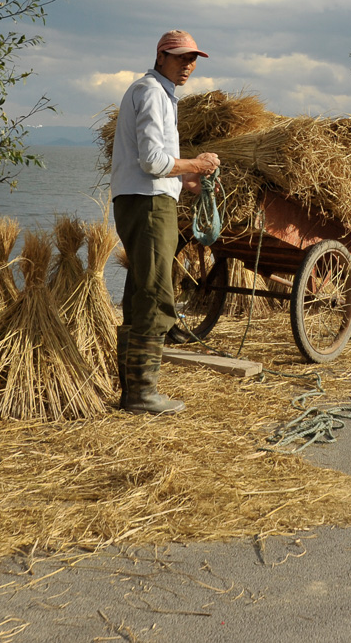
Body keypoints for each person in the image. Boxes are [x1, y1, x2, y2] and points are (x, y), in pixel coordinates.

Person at [110, 30, 221, 414]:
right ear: (161, 57)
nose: (188, 65)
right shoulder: (154, 93)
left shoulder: (151, 92)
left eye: (192, 59)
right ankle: (143, 394)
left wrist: (186, 178)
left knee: (141, 290)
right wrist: (198, 164)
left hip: (139, 200)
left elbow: (157, 164)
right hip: (149, 205)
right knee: (157, 293)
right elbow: (153, 162)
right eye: (180, 58)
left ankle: (132, 392)